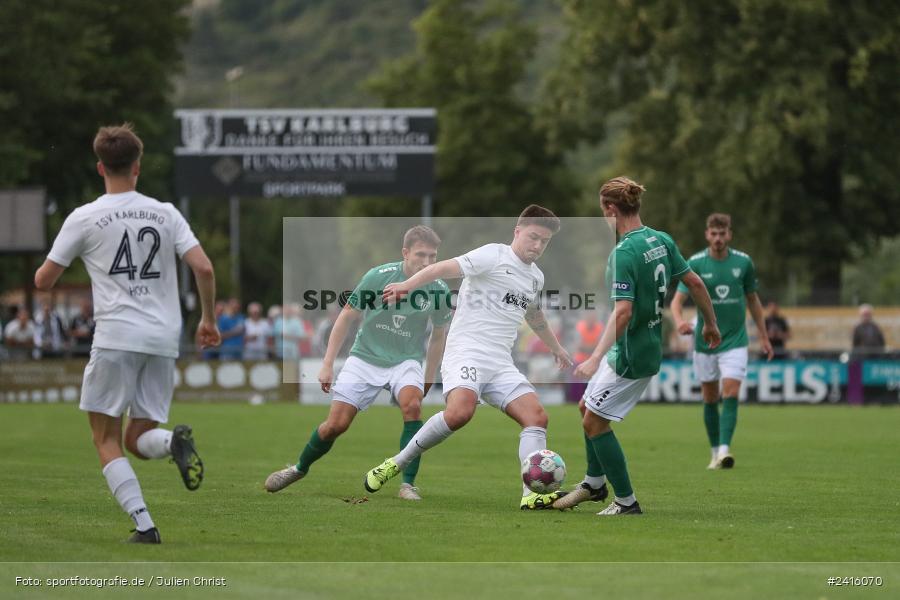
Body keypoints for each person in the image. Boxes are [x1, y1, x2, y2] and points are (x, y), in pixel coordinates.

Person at [33, 123, 220, 544]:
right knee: (139, 438)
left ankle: (144, 525)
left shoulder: (84, 216)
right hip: (162, 339)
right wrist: (207, 320)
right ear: (137, 166)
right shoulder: (166, 212)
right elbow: (204, 267)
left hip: (116, 336)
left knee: (105, 438)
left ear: (101, 167)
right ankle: (172, 441)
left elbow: (44, 280)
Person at [362, 206, 574, 510]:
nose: (538, 246)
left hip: (500, 363)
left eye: (545, 241)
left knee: (537, 417)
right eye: (533, 237)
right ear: (518, 231)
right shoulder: (493, 255)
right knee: (460, 413)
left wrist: (555, 347)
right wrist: (406, 286)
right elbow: (440, 268)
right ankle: (396, 463)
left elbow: (533, 312)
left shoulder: (535, 277)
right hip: (467, 351)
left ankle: (532, 494)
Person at [553, 177, 720, 516]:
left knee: (594, 424)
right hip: (640, 348)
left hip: (632, 354)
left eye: (602, 211)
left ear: (611, 209)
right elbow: (695, 282)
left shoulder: (624, 253)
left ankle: (626, 502)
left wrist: (594, 357)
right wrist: (712, 324)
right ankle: (593, 483)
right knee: (587, 407)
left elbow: (623, 311)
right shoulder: (661, 239)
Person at [265, 226, 452, 501]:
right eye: (420, 255)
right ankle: (299, 468)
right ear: (405, 253)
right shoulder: (379, 277)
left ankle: (407, 485)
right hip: (364, 357)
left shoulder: (438, 289)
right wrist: (327, 364)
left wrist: (428, 376)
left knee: (413, 406)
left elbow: (438, 337)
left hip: (406, 361)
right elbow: (347, 316)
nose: (427, 262)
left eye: (432, 256)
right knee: (335, 425)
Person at [670, 213, 773, 470]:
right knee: (710, 397)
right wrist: (679, 321)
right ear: (707, 234)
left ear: (729, 234)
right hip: (705, 342)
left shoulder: (743, 263)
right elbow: (676, 302)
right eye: (713, 234)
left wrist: (763, 335)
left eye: (722, 233)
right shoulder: (695, 262)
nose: (718, 238)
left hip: (736, 340)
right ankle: (715, 452)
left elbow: (753, 300)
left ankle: (725, 451)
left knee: (731, 393)